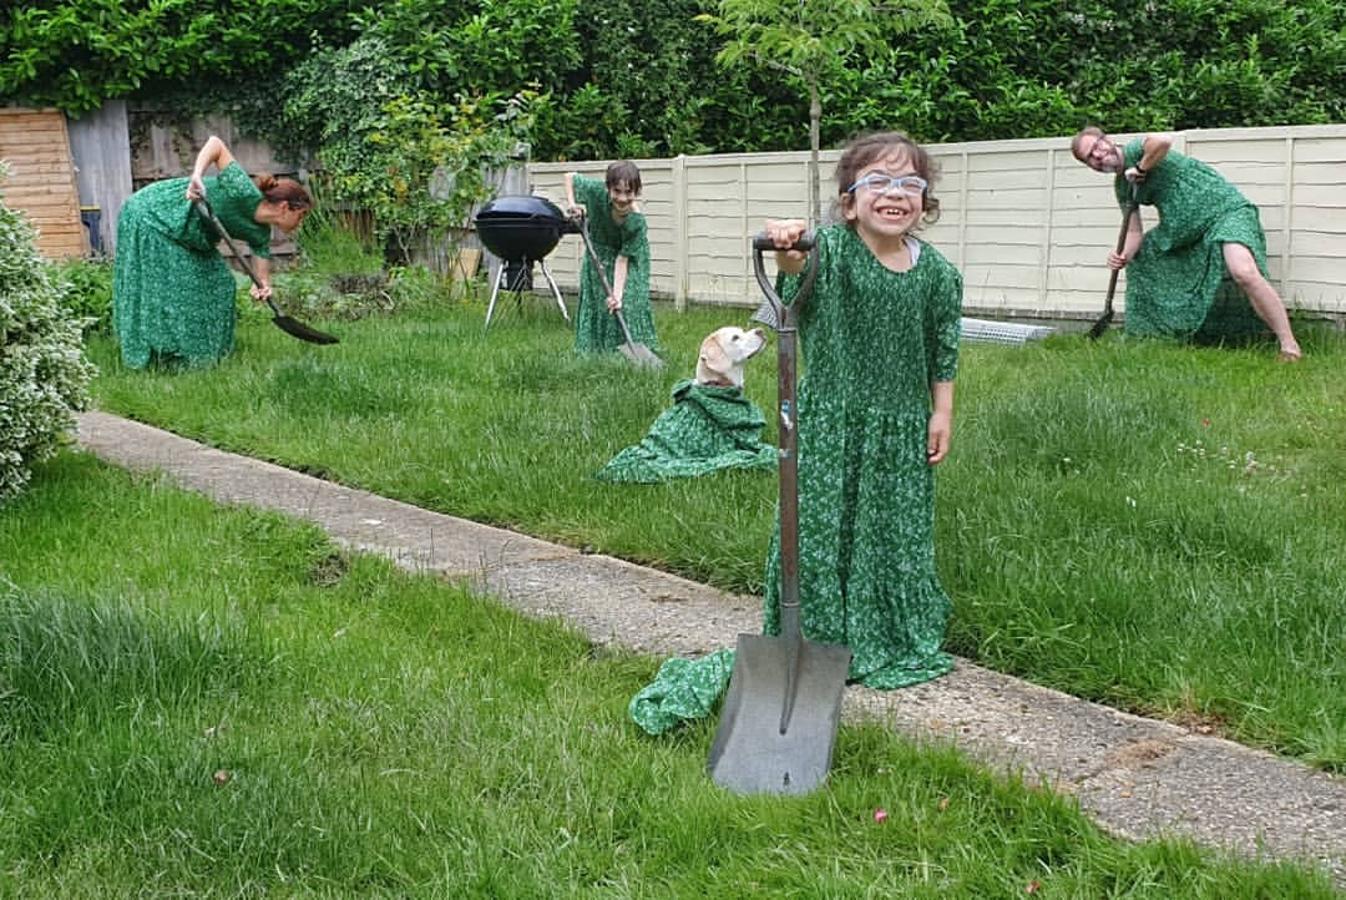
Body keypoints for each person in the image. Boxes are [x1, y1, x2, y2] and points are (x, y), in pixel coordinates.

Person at [628, 131, 963, 734]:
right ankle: (817, 626)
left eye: (910, 184)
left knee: (894, 526)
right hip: (832, 423)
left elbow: (943, 347)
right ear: (849, 200)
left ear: (925, 201)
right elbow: (794, 266)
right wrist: (787, 243)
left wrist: (941, 412)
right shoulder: (829, 252)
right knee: (819, 526)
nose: (895, 194)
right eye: (878, 183)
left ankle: (887, 620)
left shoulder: (938, 274)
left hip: (900, 427)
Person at [1071, 127, 1302, 361]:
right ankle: (1159, 333)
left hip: (1225, 211)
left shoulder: (1134, 150)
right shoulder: (1122, 187)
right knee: (1143, 256)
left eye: (1096, 147)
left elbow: (1162, 141)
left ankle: (1289, 346)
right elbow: (1133, 231)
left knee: (1243, 271)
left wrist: (1141, 168)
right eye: (1089, 157)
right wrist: (1122, 255)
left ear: (1107, 140)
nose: (1097, 156)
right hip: (1186, 231)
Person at [113, 135, 311, 369]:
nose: (301, 223)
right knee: (170, 288)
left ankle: (205, 355)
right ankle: (164, 356)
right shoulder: (244, 191)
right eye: (301, 216)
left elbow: (261, 268)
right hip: (154, 216)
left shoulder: (260, 233)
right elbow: (216, 144)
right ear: (285, 207)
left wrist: (263, 285)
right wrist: (197, 175)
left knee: (220, 283)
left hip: (189, 235)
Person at [563, 162, 659, 355]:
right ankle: (597, 350)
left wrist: (617, 296)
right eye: (617, 191)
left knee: (630, 302)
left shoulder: (636, 222)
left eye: (629, 192)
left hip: (630, 258)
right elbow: (570, 177)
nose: (622, 198)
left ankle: (630, 351)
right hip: (598, 252)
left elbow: (622, 260)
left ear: (637, 191)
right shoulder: (596, 192)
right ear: (608, 188)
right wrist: (574, 205)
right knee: (598, 302)